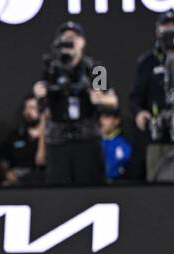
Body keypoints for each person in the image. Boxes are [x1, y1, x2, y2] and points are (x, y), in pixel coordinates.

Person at [33, 21, 117, 186]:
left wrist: (98, 97)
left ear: (82, 42)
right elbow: (44, 109)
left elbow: (112, 101)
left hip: (86, 140)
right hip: (58, 141)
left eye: (74, 38)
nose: (70, 42)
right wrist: (40, 95)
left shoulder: (96, 69)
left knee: (90, 189)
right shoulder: (52, 69)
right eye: (65, 38)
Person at [0, 95, 44, 186]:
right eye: (26, 108)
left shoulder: (50, 138)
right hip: (18, 181)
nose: (27, 112)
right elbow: (3, 160)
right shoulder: (15, 135)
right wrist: (7, 173)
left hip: (41, 182)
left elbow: (41, 160)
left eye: (32, 108)